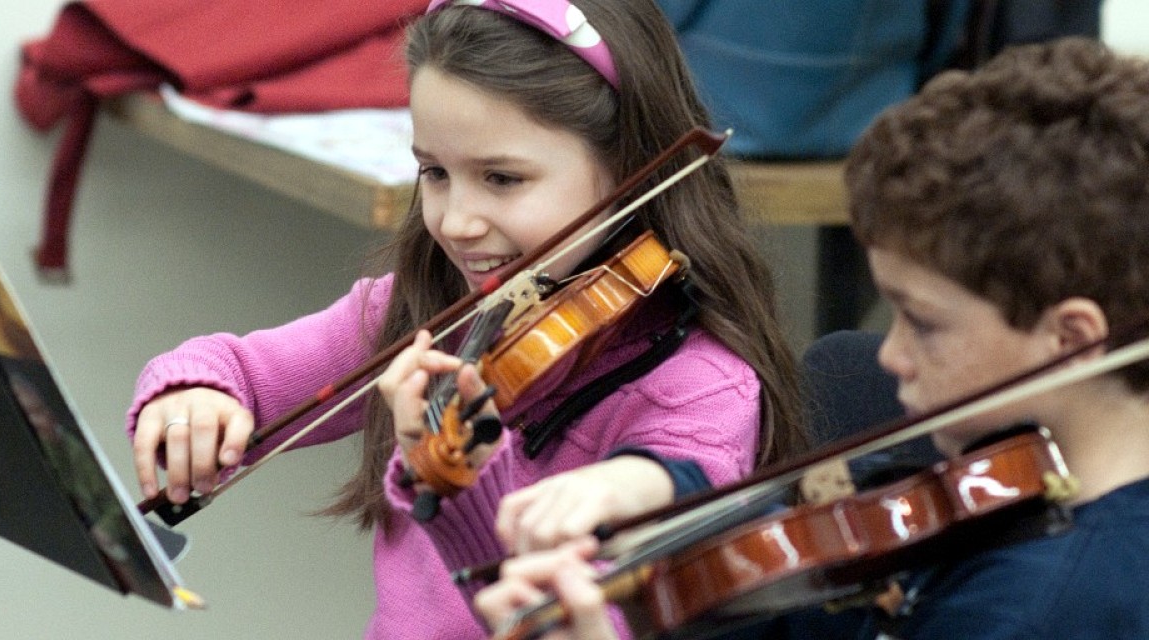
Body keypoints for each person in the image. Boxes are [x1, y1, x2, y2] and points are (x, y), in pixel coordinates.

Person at [125, 0, 809, 637]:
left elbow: (611, 553)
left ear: (630, 164)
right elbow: (237, 368)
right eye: (434, 172)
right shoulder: (427, 310)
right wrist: (194, 394)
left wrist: (479, 484)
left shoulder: (699, 387)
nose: (456, 222)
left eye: (502, 178)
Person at [475, 36, 1149, 640]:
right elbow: (797, 564)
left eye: (924, 321)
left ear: (1070, 340)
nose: (891, 355)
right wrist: (654, 491)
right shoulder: (989, 480)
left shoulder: (1033, 611)